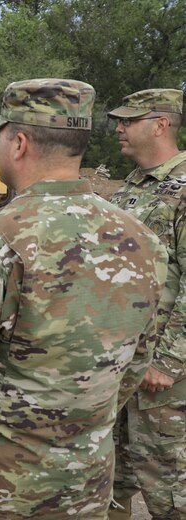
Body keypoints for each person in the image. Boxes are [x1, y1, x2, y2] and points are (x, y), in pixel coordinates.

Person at [0, 78, 169, 519]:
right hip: (87, 480)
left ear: (18, 142)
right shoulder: (143, 240)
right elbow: (135, 362)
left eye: (1, 136)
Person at [107, 88, 186, 519]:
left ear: (160, 125)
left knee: (167, 484)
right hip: (121, 361)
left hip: (162, 375)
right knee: (112, 476)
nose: (119, 128)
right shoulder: (132, 186)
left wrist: (170, 362)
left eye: (128, 120)